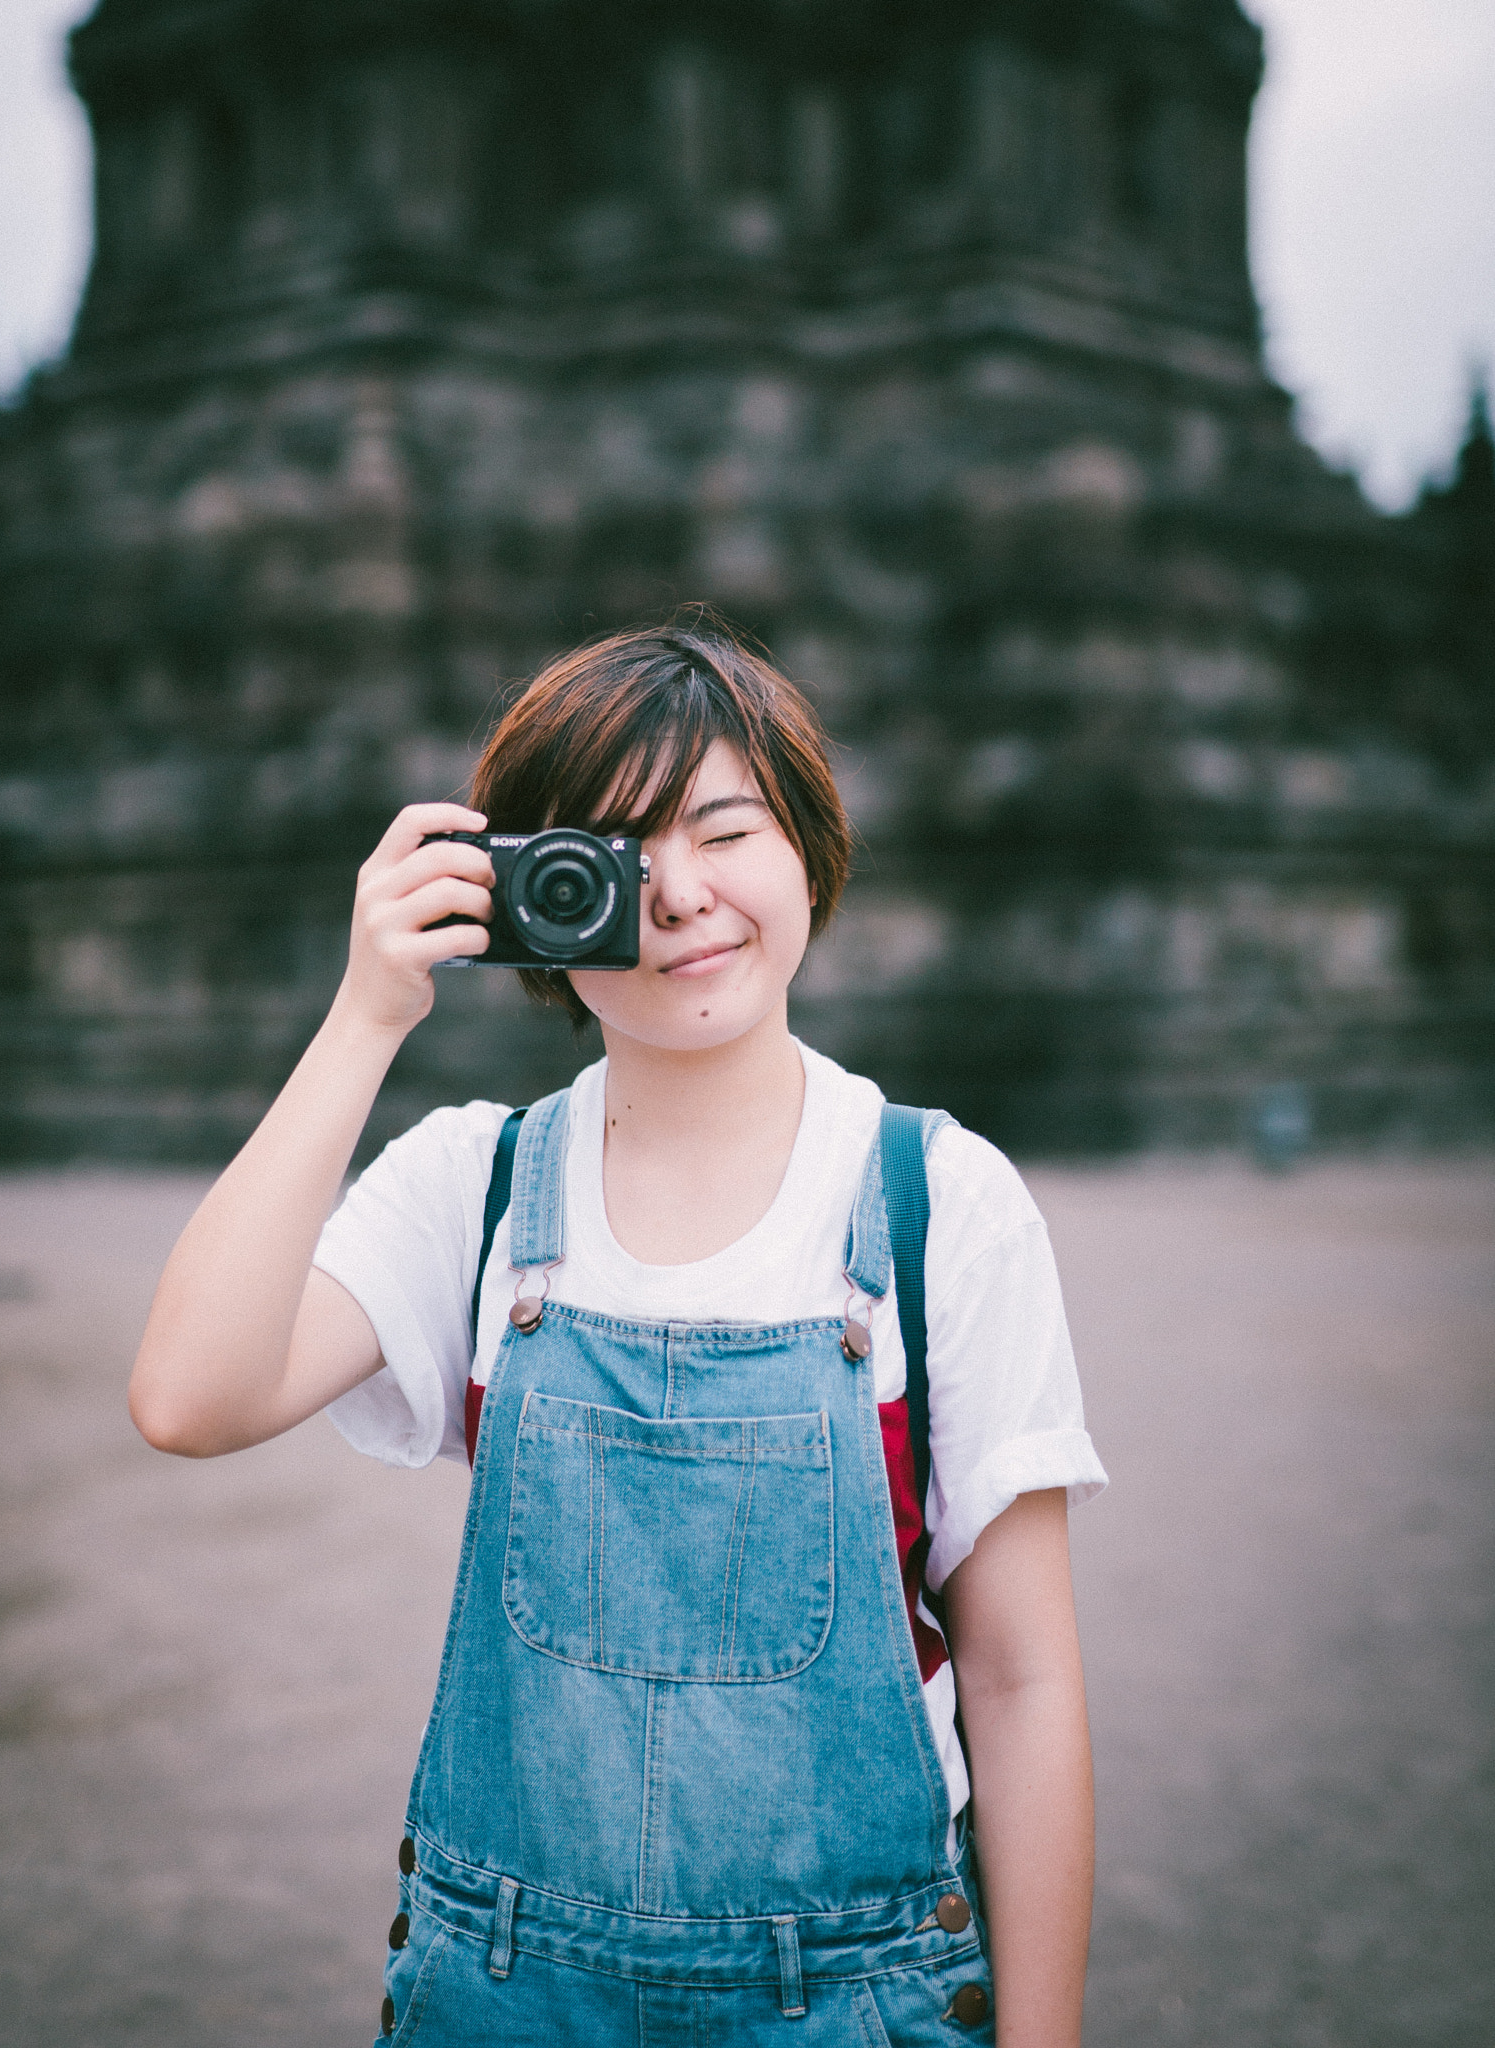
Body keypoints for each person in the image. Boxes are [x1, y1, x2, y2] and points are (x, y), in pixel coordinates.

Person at [130, 616, 1107, 2048]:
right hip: (502, 1992)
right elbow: (187, 1397)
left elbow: (1020, 1680)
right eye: (605, 858)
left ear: (809, 848)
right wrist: (363, 1015)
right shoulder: (470, 1186)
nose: (677, 896)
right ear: (521, 904)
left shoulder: (936, 1204)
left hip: (859, 1998)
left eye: (724, 829)